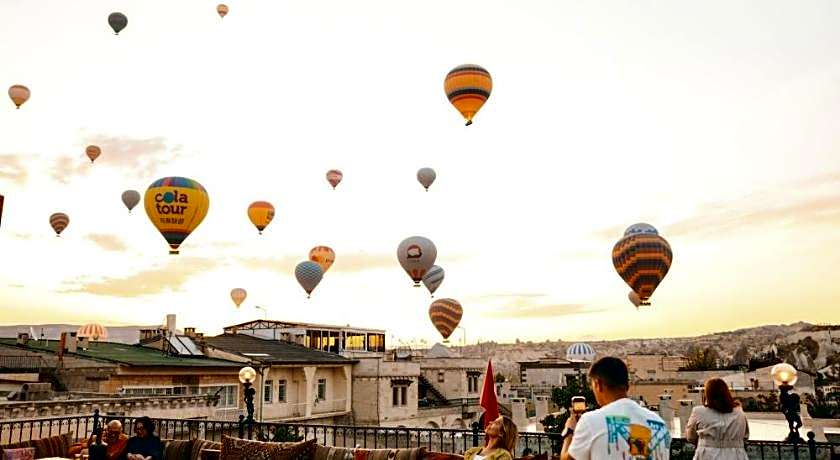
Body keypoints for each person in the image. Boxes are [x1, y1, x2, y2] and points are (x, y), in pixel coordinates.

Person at [561, 357, 670, 460]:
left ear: (598, 384)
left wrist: (569, 433)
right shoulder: (660, 423)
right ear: (627, 386)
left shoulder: (590, 421)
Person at [685, 378, 749, 460]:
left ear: (708, 394)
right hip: (736, 455)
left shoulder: (698, 412)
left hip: (707, 455)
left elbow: (690, 437)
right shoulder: (739, 413)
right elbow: (745, 436)